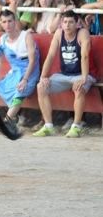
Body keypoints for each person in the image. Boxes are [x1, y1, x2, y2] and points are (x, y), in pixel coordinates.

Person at [33, 10, 98, 138]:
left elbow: (84, 56)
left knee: (79, 88)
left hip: (84, 73)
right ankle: (48, 126)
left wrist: (84, 78)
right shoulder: (58, 33)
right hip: (64, 74)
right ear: (61, 24)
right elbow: (51, 56)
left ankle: (76, 127)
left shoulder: (82, 33)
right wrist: (43, 77)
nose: (67, 25)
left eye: (71, 22)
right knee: (41, 87)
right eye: (65, 22)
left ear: (77, 23)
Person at [0, 9, 40, 124]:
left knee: (20, 92)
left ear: (15, 21)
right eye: (4, 22)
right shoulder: (1, 40)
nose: (7, 24)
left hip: (30, 73)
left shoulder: (26, 36)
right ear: (0, 23)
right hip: (15, 72)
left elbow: (32, 60)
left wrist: (25, 79)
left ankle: (7, 123)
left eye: (10, 21)